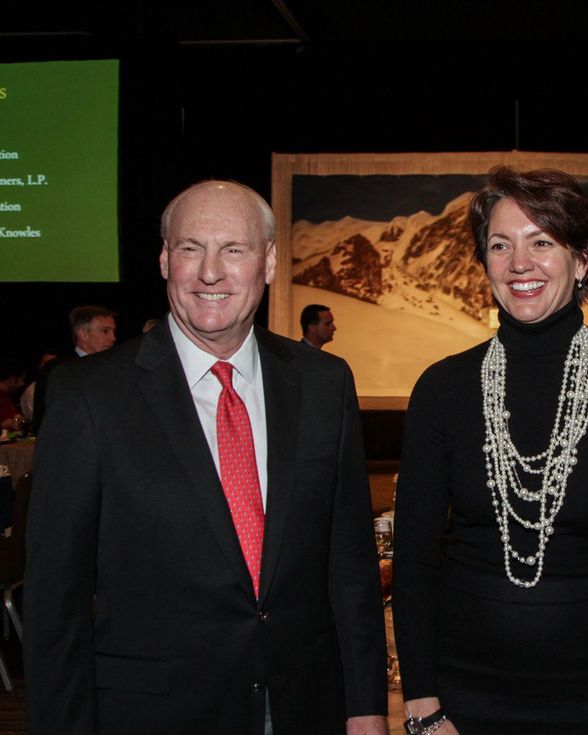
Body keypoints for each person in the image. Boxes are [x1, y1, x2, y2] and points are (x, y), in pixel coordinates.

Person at [24, 180, 388, 734]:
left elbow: (350, 560)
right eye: (190, 248)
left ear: (268, 263)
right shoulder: (90, 394)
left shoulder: (324, 383)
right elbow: (56, 595)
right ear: (164, 259)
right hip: (153, 714)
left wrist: (365, 705)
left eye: (233, 249)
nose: (210, 272)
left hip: (305, 704)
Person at [393, 166, 588, 735]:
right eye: (500, 245)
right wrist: (422, 704)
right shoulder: (443, 388)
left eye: (541, 242)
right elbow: (414, 559)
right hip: (462, 694)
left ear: (582, 261)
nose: (519, 263)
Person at [31, 304, 117, 433]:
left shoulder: (114, 368)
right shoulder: (59, 369)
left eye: (113, 331)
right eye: (105, 331)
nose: (113, 338)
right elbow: (45, 418)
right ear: (83, 334)